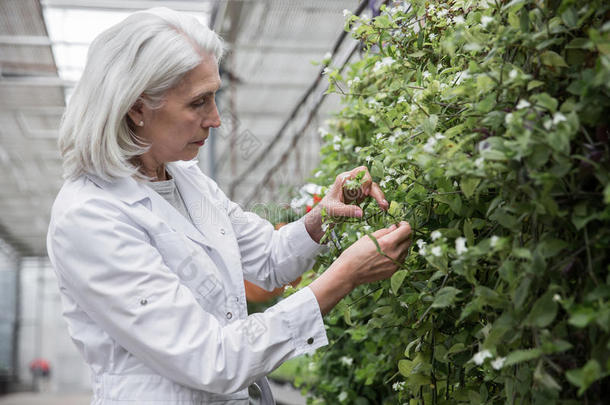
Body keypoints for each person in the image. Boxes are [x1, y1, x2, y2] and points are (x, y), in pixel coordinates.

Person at [46, 7, 412, 405]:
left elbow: (269, 259)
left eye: (214, 97)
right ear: (136, 106)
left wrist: (324, 216)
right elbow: (212, 360)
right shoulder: (90, 216)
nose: (216, 119)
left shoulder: (186, 180)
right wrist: (344, 276)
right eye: (198, 102)